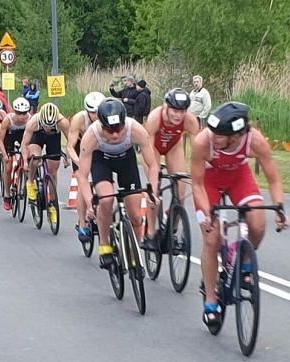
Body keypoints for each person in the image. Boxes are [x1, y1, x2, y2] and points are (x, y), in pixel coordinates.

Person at [190, 101, 289, 328]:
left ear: (236, 136)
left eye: (219, 134)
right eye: (212, 132)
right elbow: (195, 183)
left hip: (238, 178)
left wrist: (279, 207)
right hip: (208, 183)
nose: (212, 136)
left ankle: (241, 258)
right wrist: (207, 213)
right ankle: (210, 301)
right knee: (211, 238)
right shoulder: (202, 142)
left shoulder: (255, 140)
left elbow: (273, 178)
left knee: (257, 224)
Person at [75, 98, 159, 269]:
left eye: (118, 129)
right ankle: (104, 245)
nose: (114, 135)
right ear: (101, 125)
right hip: (101, 161)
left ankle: (132, 252)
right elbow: (82, 176)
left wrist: (153, 192)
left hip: (126, 160)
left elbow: (152, 165)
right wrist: (91, 201)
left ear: (124, 123)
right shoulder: (91, 136)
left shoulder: (135, 129)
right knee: (105, 200)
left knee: (135, 215)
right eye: (109, 130)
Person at [141, 88, 200, 251]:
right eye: (175, 110)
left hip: (174, 146)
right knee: (154, 191)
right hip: (153, 148)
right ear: (165, 106)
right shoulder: (155, 118)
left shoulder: (190, 121)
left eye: (182, 111)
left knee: (180, 196)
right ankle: (150, 234)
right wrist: (152, 182)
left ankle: (171, 232)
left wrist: (199, 174)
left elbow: (198, 151)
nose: (178, 116)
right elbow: (148, 151)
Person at [21, 102, 70, 226]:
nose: (47, 127)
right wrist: (26, 160)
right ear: (40, 118)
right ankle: (31, 182)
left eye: (50, 125)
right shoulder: (33, 122)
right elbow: (24, 144)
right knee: (35, 158)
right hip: (37, 136)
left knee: (53, 171)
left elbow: (70, 141)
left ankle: (52, 203)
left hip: (54, 137)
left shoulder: (62, 122)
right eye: (45, 125)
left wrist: (67, 157)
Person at [66, 91, 105, 242]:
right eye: (92, 112)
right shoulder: (79, 119)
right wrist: (80, 164)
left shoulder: (106, 116)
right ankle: (82, 223)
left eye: (98, 112)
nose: (96, 115)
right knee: (84, 184)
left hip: (99, 149)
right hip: (80, 151)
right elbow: (69, 147)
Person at [0, 97, 32, 211]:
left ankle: (28, 181)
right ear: (14, 112)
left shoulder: (30, 119)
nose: (22, 116)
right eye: (19, 113)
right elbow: (0, 139)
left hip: (23, 135)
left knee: (30, 156)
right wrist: (4, 154)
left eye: (24, 113)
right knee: (8, 167)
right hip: (9, 136)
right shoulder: (8, 120)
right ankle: (7, 195)